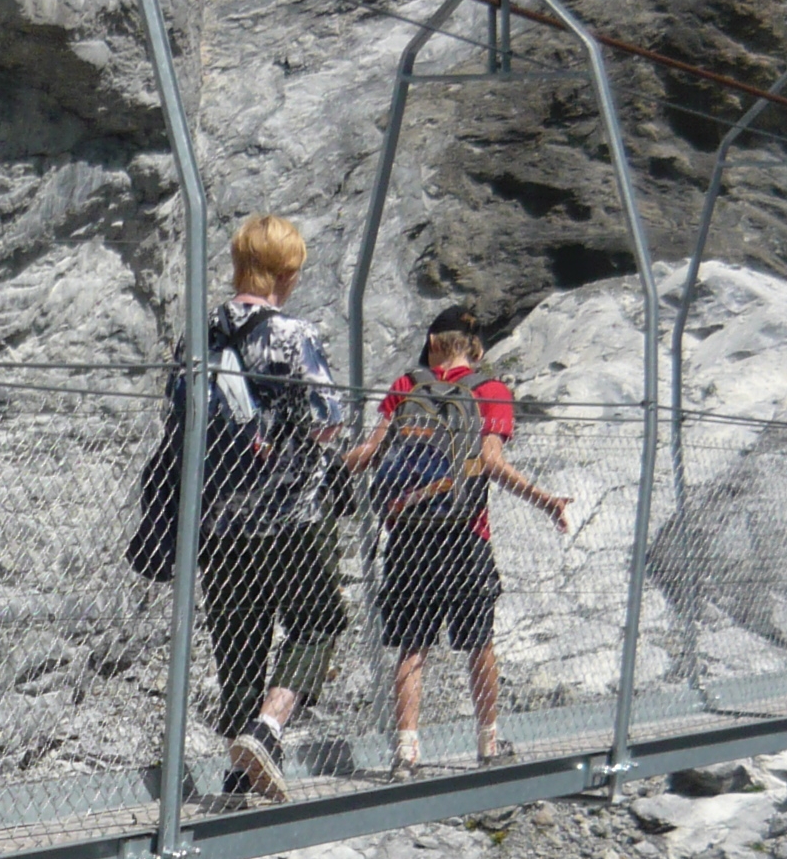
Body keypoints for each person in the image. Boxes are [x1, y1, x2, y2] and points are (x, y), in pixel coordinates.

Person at [342, 304, 569, 776]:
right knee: (479, 641)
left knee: (412, 646)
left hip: (409, 534)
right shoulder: (490, 391)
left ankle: (406, 752)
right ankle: (488, 742)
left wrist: (323, 463)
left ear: (432, 343)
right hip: (466, 534)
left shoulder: (406, 385)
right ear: (477, 349)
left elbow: (370, 452)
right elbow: (492, 463)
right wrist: (545, 500)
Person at [174, 213, 346, 800]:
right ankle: (268, 729)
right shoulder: (294, 335)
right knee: (320, 619)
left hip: (218, 519)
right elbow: (327, 420)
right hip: (292, 513)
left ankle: (237, 778)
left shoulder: (198, 337)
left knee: (238, 643)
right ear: (286, 272)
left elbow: (179, 418)